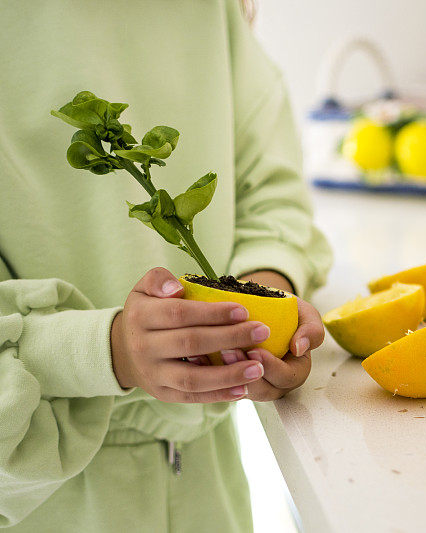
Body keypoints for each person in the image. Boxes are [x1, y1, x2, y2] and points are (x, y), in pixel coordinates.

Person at [0, 1, 333, 531]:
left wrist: (261, 307)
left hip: (208, 488)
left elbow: (272, 193)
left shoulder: (208, 9)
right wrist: (110, 351)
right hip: (47, 502)